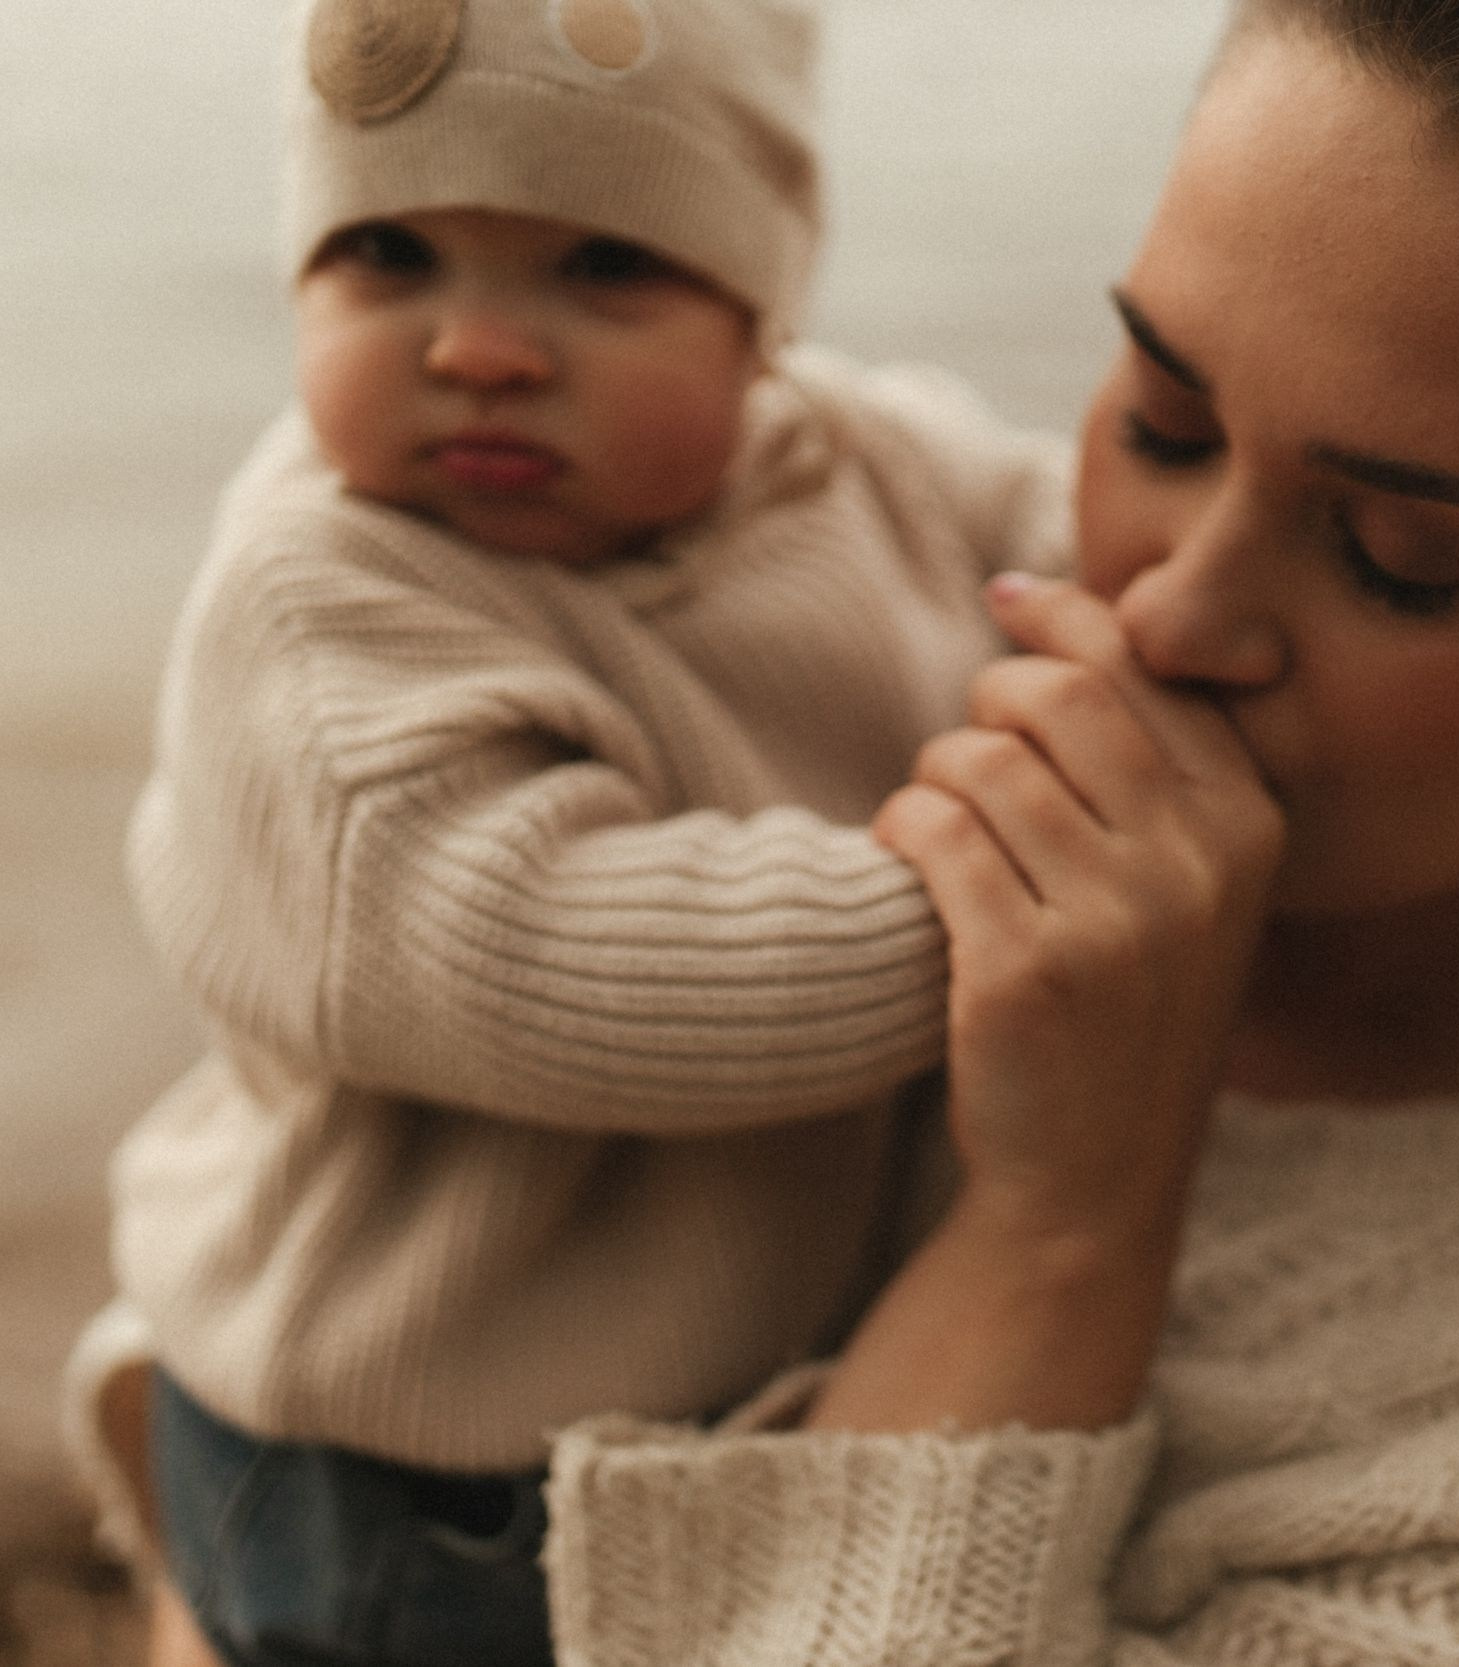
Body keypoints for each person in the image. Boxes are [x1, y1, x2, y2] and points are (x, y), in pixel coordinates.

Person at [133, 0, 1459, 1662]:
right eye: (1154, 418)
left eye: (1396, 557)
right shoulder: (923, 660)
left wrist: (1066, 1221)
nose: (1159, 611)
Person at [67, 0, 1072, 1660]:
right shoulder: (321, 611)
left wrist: (1169, 630)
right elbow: (560, 957)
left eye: (601, 267)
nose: (479, 348)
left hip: (686, 1374)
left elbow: (1051, 529)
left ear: (759, 319)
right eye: (390, 251)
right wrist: (1014, 905)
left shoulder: (850, 453)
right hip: (413, 1471)